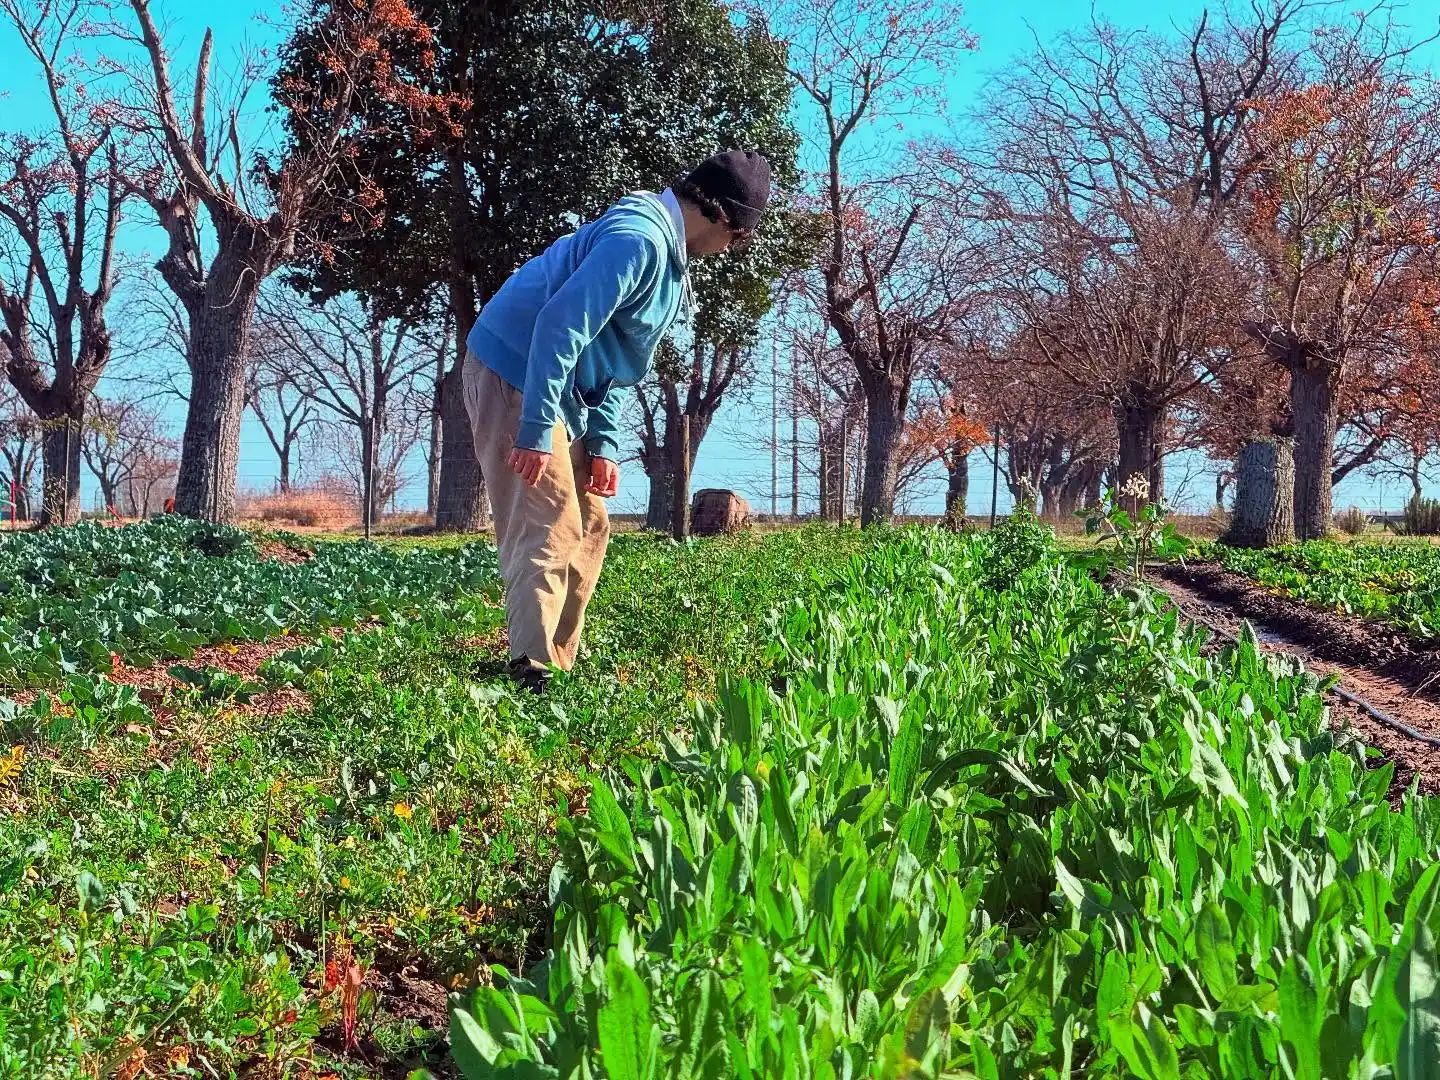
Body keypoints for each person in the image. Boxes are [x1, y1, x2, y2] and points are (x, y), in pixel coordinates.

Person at [462, 150, 772, 693]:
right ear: (723, 216)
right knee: (550, 516)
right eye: (739, 238)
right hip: (515, 370)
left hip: (558, 385)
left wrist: (603, 443)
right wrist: (534, 431)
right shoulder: (639, 239)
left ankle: (554, 666)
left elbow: (608, 351)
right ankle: (529, 674)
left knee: (591, 521)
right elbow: (559, 326)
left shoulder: (667, 258)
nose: (730, 252)